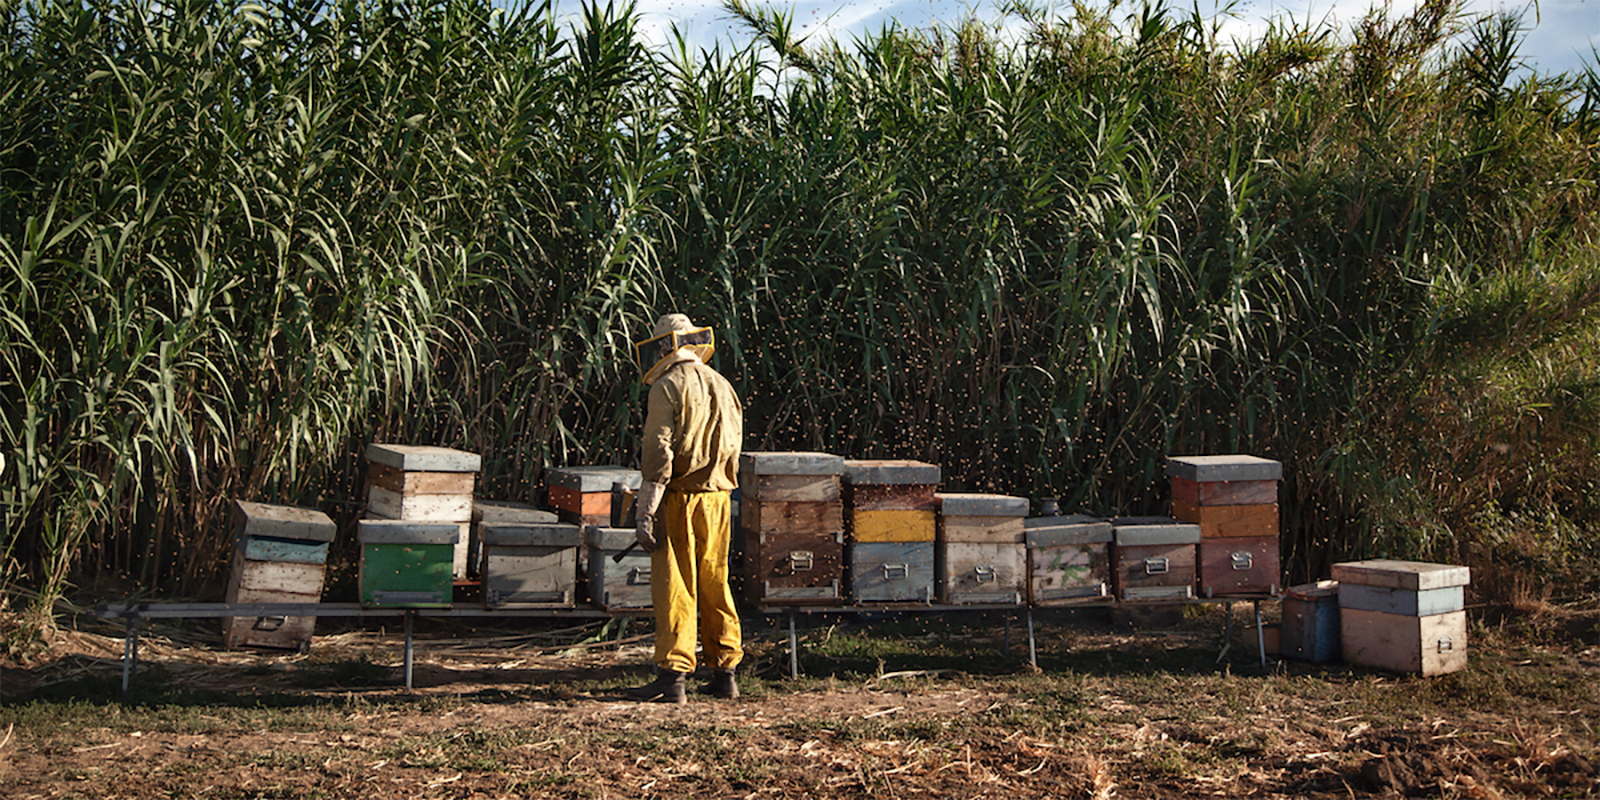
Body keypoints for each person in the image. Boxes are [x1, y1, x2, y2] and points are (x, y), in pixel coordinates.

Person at [624, 313, 744, 703]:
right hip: (720, 499)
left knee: (677, 585)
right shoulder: (722, 384)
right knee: (715, 581)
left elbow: (659, 451)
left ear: (665, 346)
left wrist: (645, 510)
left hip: (680, 498)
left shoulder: (667, 385)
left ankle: (672, 676)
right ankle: (725, 672)